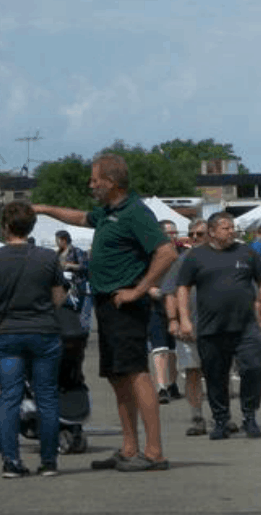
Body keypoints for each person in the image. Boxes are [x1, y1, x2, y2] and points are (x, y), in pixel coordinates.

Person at [33, 153, 176, 473]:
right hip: (107, 304)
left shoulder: (136, 212)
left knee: (137, 373)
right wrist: (44, 209)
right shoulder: (110, 212)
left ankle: (154, 452)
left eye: (95, 180)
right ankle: (129, 448)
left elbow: (167, 252)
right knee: (117, 377)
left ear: (111, 183)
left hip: (125, 303)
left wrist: (138, 290)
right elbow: (80, 217)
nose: (91, 184)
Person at [0, 201, 66, 478]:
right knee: (47, 397)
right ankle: (49, 461)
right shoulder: (48, 258)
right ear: (31, 227)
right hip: (44, 331)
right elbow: (58, 298)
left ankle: (11, 461)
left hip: (8, 333)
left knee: (9, 398)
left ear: (5, 226)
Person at [176, 212, 261, 440]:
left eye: (232, 227)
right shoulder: (196, 256)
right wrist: (185, 319)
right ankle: (220, 420)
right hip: (211, 328)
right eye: (226, 228)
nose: (231, 232)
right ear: (212, 232)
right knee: (216, 376)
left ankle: (249, 417)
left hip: (246, 326)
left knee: (252, 369)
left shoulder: (246, 252)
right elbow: (183, 288)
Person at [163, 219, 210, 436]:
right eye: (191, 235)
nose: (194, 239)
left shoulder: (224, 259)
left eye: (199, 234)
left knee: (219, 374)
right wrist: (174, 320)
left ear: (210, 235)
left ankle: (222, 416)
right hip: (189, 326)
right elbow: (170, 291)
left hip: (218, 327)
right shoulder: (182, 261)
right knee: (192, 372)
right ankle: (197, 416)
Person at [150, 220, 182, 405]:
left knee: (174, 350)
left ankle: (172, 383)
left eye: (175, 232)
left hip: (179, 307)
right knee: (160, 349)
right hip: (157, 307)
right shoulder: (152, 255)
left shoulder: (183, 254)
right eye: (170, 233)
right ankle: (161, 387)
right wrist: (150, 290)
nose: (173, 235)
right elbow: (141, 277)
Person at [55, 230, 91, 334]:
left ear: (64, 240)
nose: (56, 242)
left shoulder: (76, 251)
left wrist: (70, 265)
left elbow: (84, 266)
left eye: (57, 240)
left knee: (79, 311)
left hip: (78, 286)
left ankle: (80, 332)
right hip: (63, 286)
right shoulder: (58, 253)